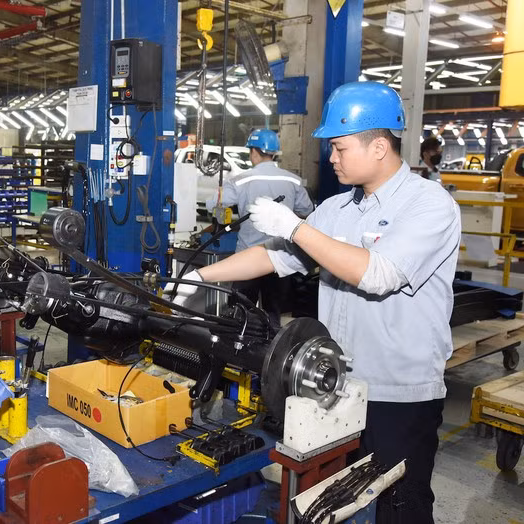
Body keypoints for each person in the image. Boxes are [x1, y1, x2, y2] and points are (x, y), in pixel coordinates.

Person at [173, 82, 460, 524]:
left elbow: (377, 273)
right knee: (333, 504)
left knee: (399, 505)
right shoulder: (337, 209)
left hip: (397, 394)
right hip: (333, 385)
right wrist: (200, 275)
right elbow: (274, 255)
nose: (332, 158)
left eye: (340, 148)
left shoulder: (429, 205)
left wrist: (295, 227)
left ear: (380, 146)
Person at [204, 129, 314, 329]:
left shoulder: (241, 180)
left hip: (247, 259)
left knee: (239, 313)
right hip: (279, 259)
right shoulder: (293, 180)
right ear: (273, 153)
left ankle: (238, 351)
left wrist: (219, 195)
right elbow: (307, 210)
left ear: (254, 152)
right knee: (273, 313)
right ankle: (269, 352)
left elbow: (213, 204)